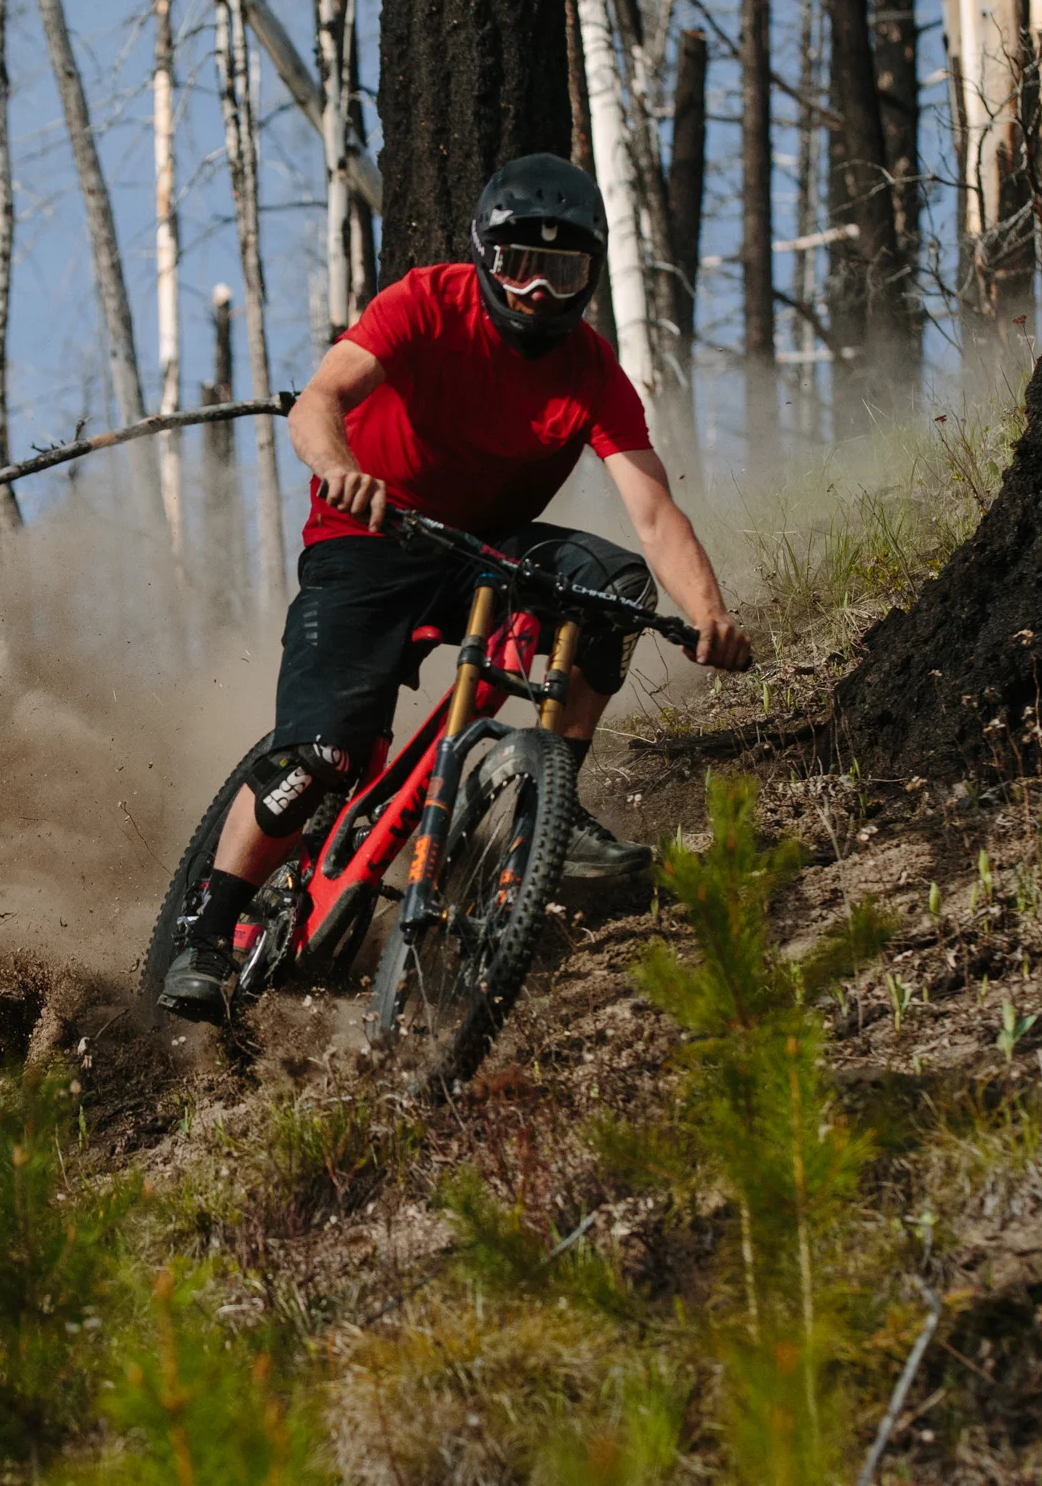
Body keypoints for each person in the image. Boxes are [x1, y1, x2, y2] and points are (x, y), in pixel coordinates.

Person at [158, 153, 754, 1019]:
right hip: (368, 538)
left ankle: (552, 804)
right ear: (483, 256)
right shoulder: (425, 303)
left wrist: (710, 614)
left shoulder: (592, 371)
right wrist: (339, 468)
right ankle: (206, 931)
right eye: (519, 266)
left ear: (589, 276)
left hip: (487, 552)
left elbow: (654, 513)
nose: (539, 293)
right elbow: (319, 400)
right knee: (320, 752)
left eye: (564, 272)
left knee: (614, 588)